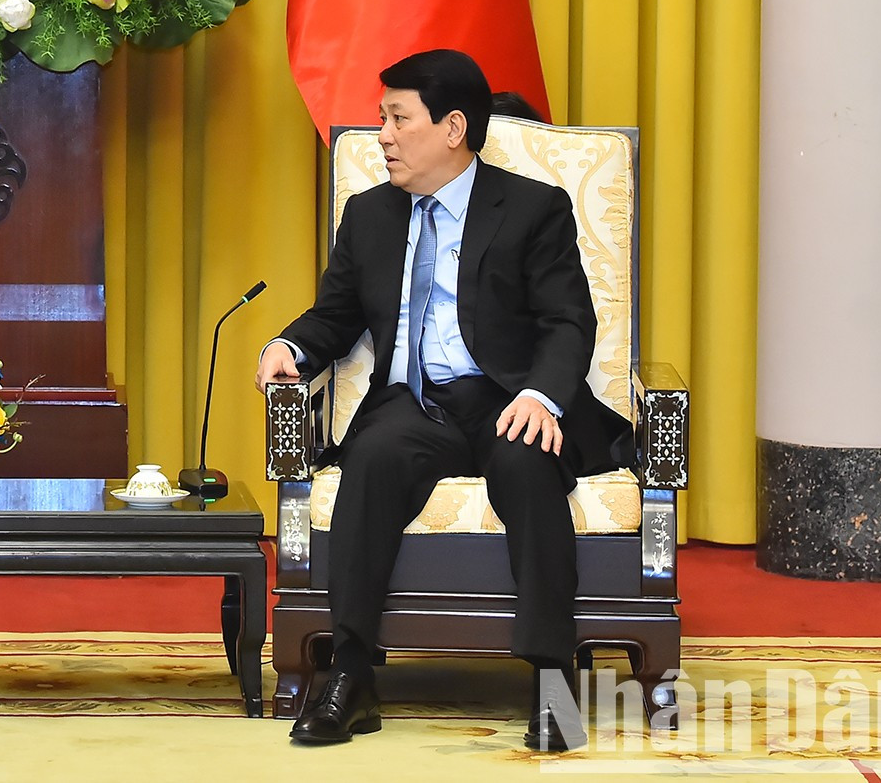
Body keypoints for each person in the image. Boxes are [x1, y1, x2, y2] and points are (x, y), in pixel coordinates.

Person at [255, 49, 631, 753]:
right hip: (414, 402)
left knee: (527, 463)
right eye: (381, 118)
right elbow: (335, 314)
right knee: (371, 457)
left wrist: (542, 396)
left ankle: (552, 676)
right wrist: (290, 346)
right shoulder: (369, 214)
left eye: (398, 118)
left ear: (453, 126)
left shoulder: (531, 208)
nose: (384, 136)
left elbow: (567, 320)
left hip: (505, 395)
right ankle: (353, 674)